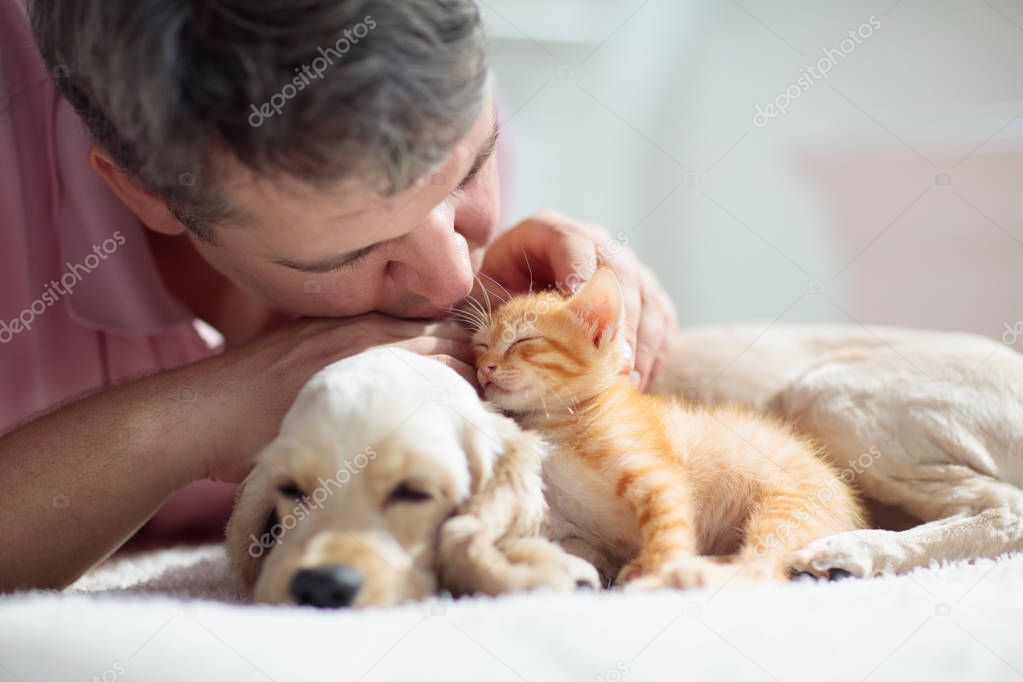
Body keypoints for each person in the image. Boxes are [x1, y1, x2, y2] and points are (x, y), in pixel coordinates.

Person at [0, 0, 677, 591]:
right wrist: (200, 415)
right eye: (353, 254)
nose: (451, 280)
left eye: (468, 173)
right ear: (146, 193)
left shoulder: (408, 79)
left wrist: (557, 349)